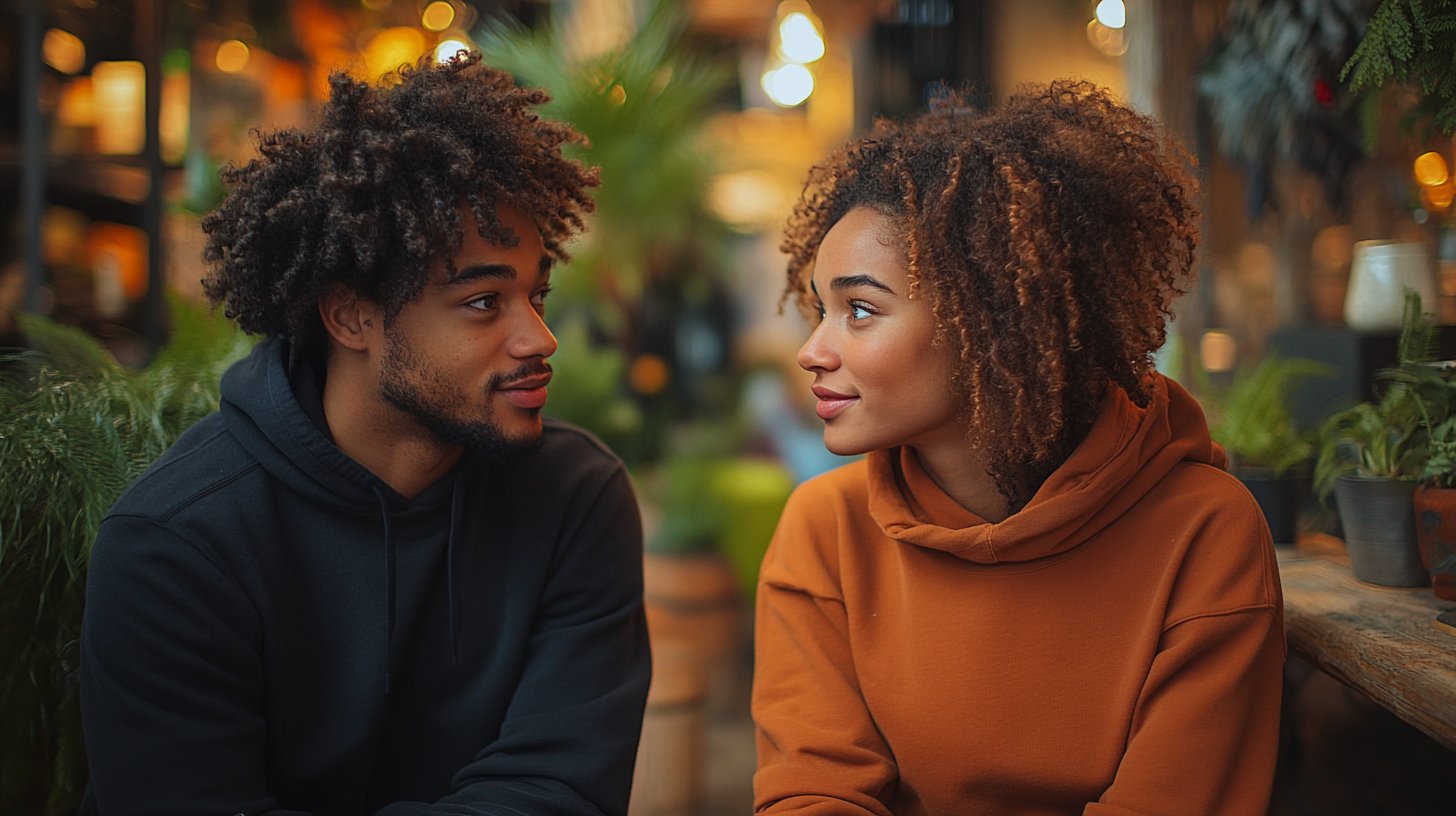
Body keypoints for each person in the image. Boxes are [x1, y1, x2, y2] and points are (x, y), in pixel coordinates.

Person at [79, 54, 651, 816]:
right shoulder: (177, 540)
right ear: (351, 316)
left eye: (536, 294)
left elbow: (560, 790)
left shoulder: (576, 498)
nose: (540, 339)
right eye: (484, 303)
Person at [752, 80, 1285, 815]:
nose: (812, 350)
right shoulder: (825, 530)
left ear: (992, 317)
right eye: (822, 308)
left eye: (861, 309)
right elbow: (813, 794)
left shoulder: (1205, 533)